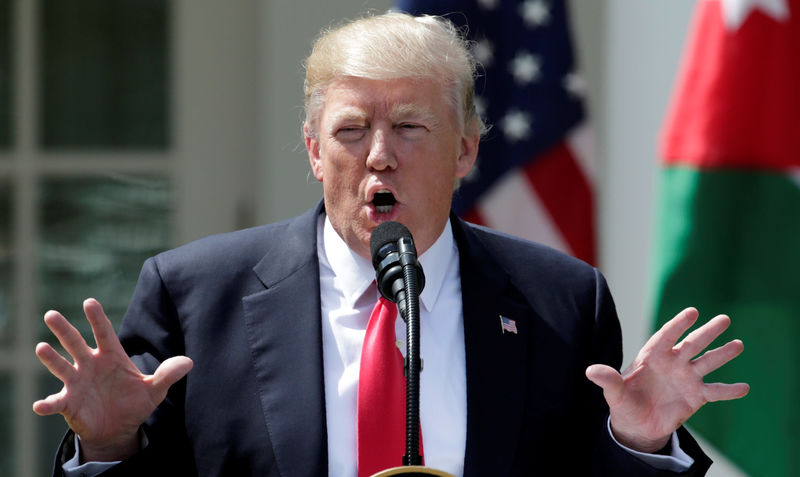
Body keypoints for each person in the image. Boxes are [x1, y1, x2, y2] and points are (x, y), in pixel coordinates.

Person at [33, 12, 749, 477]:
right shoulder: (196, 296)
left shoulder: (561, 301)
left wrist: (639, 445)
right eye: (350, 131)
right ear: (314, 151)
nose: (379, 156)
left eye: (410, 128)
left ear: (466, 150)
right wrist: (107, 447)